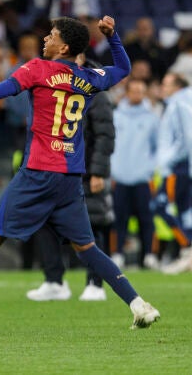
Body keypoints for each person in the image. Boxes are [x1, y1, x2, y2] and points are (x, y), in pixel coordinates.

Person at [0, 16, 160, 331]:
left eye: (51, 35)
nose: (45, 39)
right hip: (70, 177)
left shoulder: (37, 69)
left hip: (39, 171)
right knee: (87, 247)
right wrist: (113, 38)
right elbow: (123, 69)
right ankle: (139, 306)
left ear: (64, 46)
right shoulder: (89, 77)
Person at [26, 75, 116, 302]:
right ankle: (54, 281)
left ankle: (95, 283)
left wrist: (98, 171)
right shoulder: (55, 80)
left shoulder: (97, 87)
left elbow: (105, 135)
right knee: (44, 220)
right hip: (56, 165)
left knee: (91, 222)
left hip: (84, 168)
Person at [154, 73, 192, 274]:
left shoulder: (179, 105)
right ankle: (188, 260)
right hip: (189, 166)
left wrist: (169, 160)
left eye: (166, 83)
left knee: (160, 205)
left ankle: (189, 246)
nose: (163, 87)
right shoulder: (189, 104)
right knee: (185, 212)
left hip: (178, 167)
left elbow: (186, 139)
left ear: (177, 86)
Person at [110, 78, 159, 270]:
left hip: (142, 177)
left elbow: (157, 148)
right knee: (118, 219)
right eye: (134, 91)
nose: (137, 95)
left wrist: (149, 170)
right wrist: (113, 171)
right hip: (120, 176)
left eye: (140, 91)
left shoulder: (152, 118)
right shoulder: (117, 116)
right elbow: (111, 146)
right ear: (127, 93)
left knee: (146, 219)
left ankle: (149, 255)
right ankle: (117, 254)